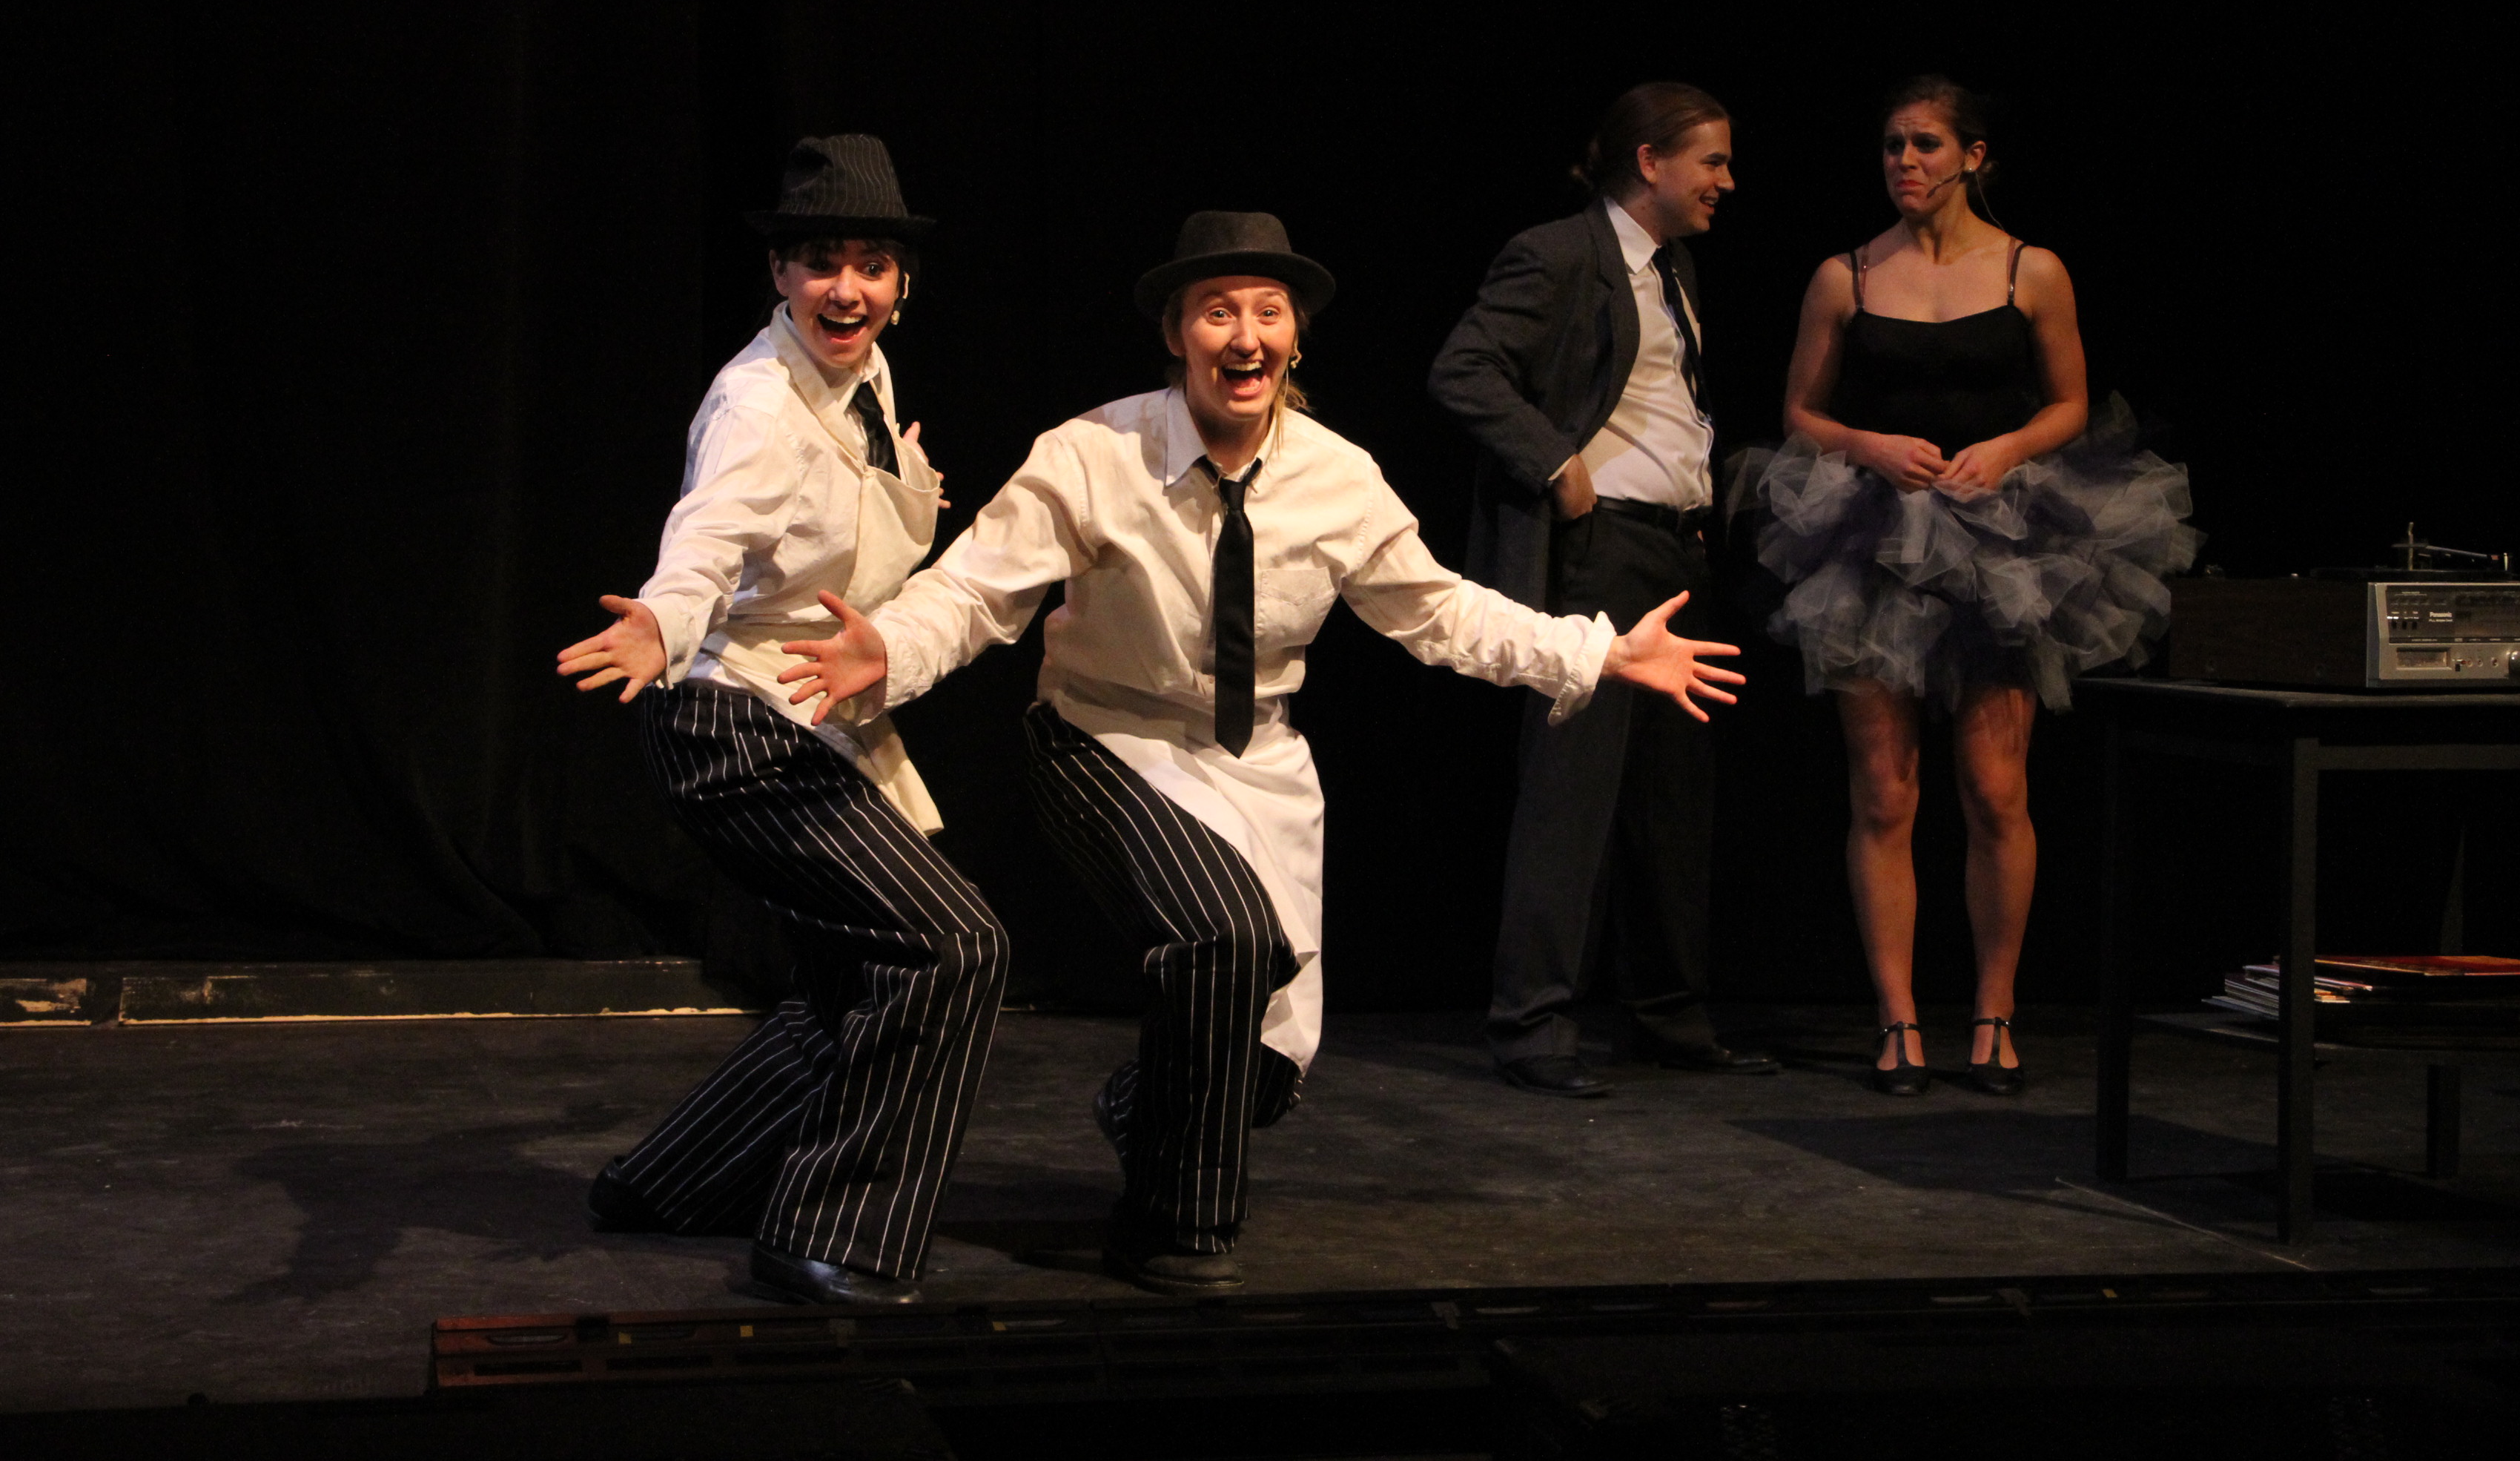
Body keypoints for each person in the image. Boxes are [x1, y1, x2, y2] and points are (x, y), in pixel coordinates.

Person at [774, 211, 1742, 1294]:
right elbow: (972, 593)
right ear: (1177, 335)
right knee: (1225, 939)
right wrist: (891, 647)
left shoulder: (1338, 477)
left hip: (1260, 763)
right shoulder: (1093, 455)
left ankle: (1149, 1112)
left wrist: (1595, 652)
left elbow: (1439, 611)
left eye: (1268, 314)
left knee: (1272, 1061)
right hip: (1105, 738)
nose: (1246, 337)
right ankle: (1172, 1228)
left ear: (1295, 337)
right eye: (1218, 312)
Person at [553, 133, 1006, 1305]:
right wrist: (661, 622)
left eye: (871, 266)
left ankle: (668, 1184)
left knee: (857, 976)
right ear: (779, 274)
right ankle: (834, 1230)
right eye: (820, 263)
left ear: (902, 283)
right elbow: (707, 539)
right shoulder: (758, 403)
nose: (845, 290)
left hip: (803, 716)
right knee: (949, 945)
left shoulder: (865, 378)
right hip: (729, 725)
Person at [1750, 76, 2199, 1096]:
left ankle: (1995, 1015)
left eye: (1924, 145)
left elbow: (2071, 403)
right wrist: (1867, 443)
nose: (1904, 163)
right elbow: (1800, 414)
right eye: (1892, 146)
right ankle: (1898, 1020)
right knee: (1884, 791)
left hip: (2005, 542)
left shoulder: (2030, 270)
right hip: (1871, 541)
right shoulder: (1845, 276)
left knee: (1997, 789)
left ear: (1973, 156)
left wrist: (2005, 450)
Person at [1428, 82, 1773, 1100]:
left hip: (1674, 552)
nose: (1726, 181)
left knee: (1672, 796)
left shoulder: (1675, 268)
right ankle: (1533, 1024)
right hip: (1601, 554)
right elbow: (1464, 369)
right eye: (1711, 160)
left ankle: (1668, 1011)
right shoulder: (1561, 253)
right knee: (1571, 797)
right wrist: (1554, 462)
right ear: (1650, 161)